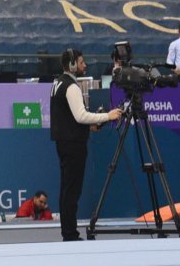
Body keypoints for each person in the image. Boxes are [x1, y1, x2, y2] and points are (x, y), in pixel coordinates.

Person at [50, 47, 120, 242]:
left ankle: (68, 232)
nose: (85, 65)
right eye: (81, 62)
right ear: (72, 65)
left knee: (67, 188)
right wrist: (109, 115)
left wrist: (88, 128)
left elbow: (66, 117)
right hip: (73, 144)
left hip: (65, 141)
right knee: (72, 190)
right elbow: (80, 116)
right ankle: (70, 234)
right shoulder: (71, 86)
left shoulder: (57, 82)